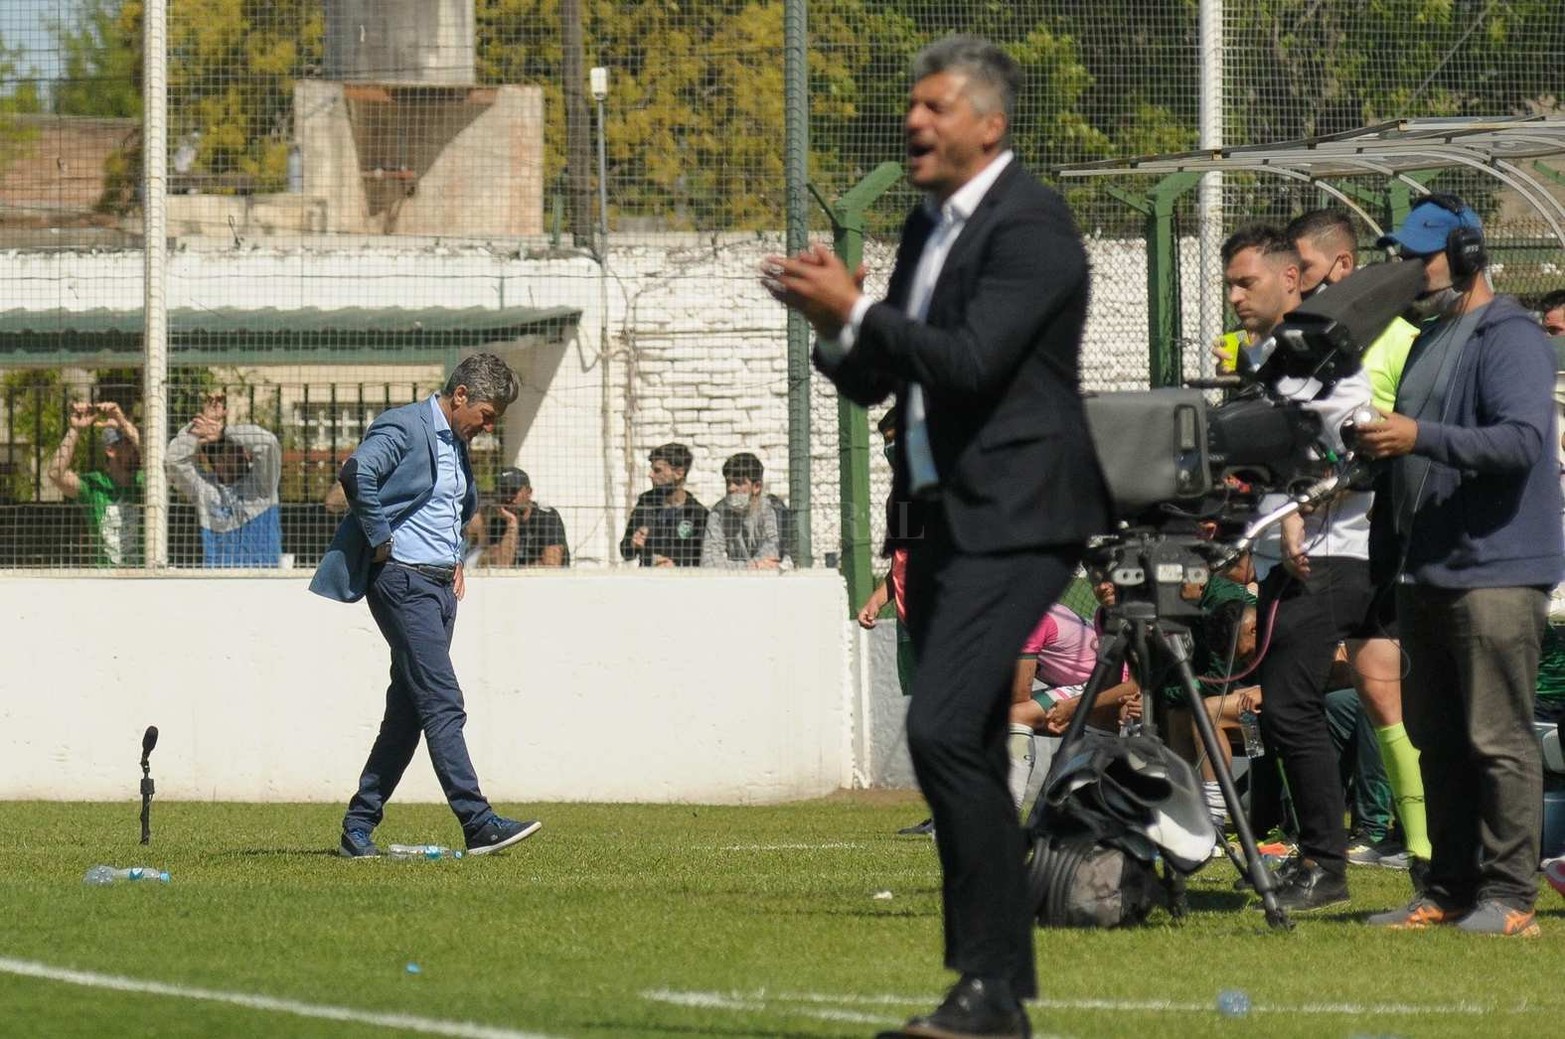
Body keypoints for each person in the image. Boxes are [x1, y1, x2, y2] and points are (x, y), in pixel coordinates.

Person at [765, 34, 1109, 1038]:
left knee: (938, 727)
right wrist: (830, 322)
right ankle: (991, 994)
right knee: (949, 731)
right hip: (948, 517)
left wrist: (858, 305)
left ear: (988, 124)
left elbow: (968, 361)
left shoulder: (1033, 224)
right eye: (909, 108)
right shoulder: (926, 228)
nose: (912, 123)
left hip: (1024, 513)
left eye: (934, 109)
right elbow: (880, 375)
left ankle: (989, 988)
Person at [1357, 195, 1564, 936]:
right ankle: (1445, 889)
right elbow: (1420, 442)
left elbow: (1516, 444)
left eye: (1424, 256)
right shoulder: (1424, 336)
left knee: (1496, 737)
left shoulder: (1507, 335)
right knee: (1435, 737)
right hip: (1428, 570)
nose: (1411, 271)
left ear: (1470, 257)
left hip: (1494, 571)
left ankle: (1510, 899)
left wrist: (1418, 437)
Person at [310, 353, 541, 859]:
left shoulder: (456, 441)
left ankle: (358, 826)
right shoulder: (404, 425)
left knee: (408, 713)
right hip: (403, 584)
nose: (487, 427)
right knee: (443, 700)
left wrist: (454, 554)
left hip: (440, 589)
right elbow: (357, 474)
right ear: (461, 396)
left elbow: (448, 507)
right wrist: (381, 540)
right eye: (486, 415)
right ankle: (477, 821)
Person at [1224, 224, 1378, 913]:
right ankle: (1319, 857)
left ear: (1291, 279)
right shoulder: (1265, 357)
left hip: (1336, 554)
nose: (1232, 296)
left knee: (1291, 706)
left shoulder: (1326, 353)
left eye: (1244, 281)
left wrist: (1294, 504)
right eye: (1228, 282)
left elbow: (1360, 449)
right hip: (1294, 558)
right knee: (1287, 709)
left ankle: (1327, 863)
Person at [1285, 208, 1431, 876]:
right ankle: (1412, 841)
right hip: (1328, 535)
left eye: (1306, 270)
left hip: (1375, 538)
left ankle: (1420, 841)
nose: (1298, 283)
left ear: (1341, 268)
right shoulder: (1312, 340)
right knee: (1376, 693)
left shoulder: (1400, 340)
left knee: (1375, 693)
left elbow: (1412, 438)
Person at [166, 391, 282, 567]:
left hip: (263, 581)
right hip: (219, 582)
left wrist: (224, 432)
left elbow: (268, 443)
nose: (242, 454)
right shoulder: (205, 489)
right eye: (225, 453)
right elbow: (174, 460)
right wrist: (198, 427)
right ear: (215, 461)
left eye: (239, 448)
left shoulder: (262, 484)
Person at [46, 400, 143, 567]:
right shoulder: (94, 485)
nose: (135, 449)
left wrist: (121, 420)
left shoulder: (147, 482)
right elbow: (55, 473)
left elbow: (150, 451)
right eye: (128, 444)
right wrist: (75, 429)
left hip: (143, 576)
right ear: (111, 451)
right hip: (103, 578)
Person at [618, 442, 707, 567]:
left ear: (679, 473)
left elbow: (703, 559)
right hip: (647, 580)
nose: (651, 475)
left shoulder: (697, 513)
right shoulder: (645, 504)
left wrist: (676, 565)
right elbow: (626, 552)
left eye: (657, 470)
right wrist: (633, 544)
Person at [468, 467, 570, 567]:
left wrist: (517, 572)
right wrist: (511, 525)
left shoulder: (546, 517)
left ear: (529, 492)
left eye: (513, 491)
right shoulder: (498, 521)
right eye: (503, 491)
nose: (508, 498)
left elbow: (551, 564)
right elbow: (500, 565)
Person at [700, 452, 781, 569]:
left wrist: (732, 567)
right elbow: (708, 562)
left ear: (756, 487)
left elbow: (771, 557)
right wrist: (751, 566)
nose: (730, 488)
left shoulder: (770, 511)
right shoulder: (719, 513)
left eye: (738, 483)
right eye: (728, 482)